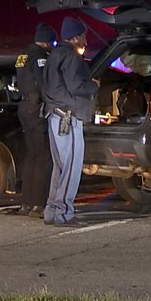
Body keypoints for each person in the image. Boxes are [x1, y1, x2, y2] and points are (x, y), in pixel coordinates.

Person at [41, 16, 97, 228]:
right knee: (71, 168)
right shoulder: (72, 58)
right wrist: (93, 85)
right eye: (83, 35)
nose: (85, 39)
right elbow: (76, 87)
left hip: (53, 115)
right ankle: (64, 213)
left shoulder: (54, 54)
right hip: (68, 117)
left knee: (60, 167)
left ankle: (51, 210)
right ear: (75, 37)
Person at [3, 23, 55, 218]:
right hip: (36, 108)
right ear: (47, 41)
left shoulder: (23, 55)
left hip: (24, 107)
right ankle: (39, 204)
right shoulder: (40, 57)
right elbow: (43, 84)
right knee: (44, 156)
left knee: (32, 155)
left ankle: (26, 202)